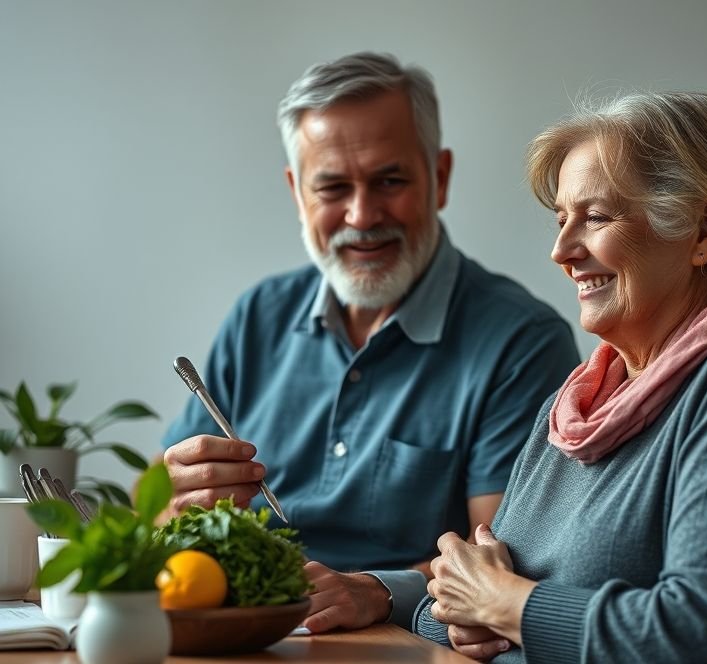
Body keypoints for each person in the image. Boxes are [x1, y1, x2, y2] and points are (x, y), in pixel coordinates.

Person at [414, 91, 707, 663]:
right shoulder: (576, 406)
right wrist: (466, 613)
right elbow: (464, 603)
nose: (561, 251)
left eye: (595, 217)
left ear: (706, 231)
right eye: (561, 219)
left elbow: (703, 639)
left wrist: (507, 607)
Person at [160, 52, 580, 633]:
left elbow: (504, 562)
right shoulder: (255, 318)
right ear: (297, 193)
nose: (362, 214)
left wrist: (379, 591)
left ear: (440, 177)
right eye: (333, 186)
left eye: (389, 180)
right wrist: (177, 507)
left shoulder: (522, 342)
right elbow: (157, 515)